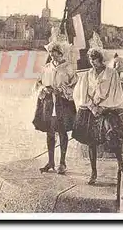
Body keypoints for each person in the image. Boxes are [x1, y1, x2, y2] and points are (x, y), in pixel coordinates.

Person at [72, 48, 123, 185]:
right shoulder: (87, 74)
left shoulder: (112, 74)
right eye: (91, 60)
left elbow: (115, 92)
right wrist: (92, 107)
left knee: (112, 134)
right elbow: (82, 93)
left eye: (95, 60)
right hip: (90, 110)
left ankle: (121, 163)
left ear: (101, 60)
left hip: (106, 109)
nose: (93, 63)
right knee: (91, 142)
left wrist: (103, 107)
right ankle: (93, 172)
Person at [32, 41, 77, 175]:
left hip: (62, 103)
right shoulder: (47, 67)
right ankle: (51, 161)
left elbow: (74, 85)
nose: (52, 56)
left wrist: (62, 91)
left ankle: (62, 162)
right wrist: (44, 89)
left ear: (61, 53)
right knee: (50, 131)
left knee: (62, 131)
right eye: (50, 53)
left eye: (55, 53)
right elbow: (38, 82)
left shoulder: (68, 68)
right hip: (48, 102)